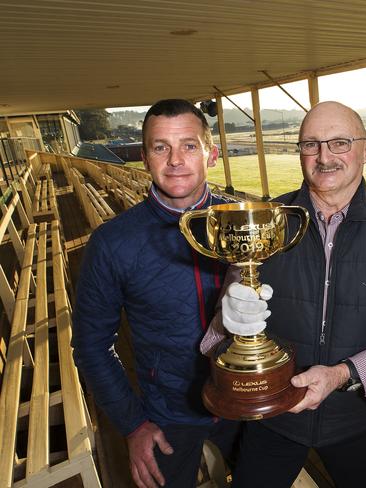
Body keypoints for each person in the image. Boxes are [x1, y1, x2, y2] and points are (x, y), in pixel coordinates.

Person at [202, 101, 366, 487]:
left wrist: (341, 375)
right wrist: (227, 322)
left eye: (340, 143)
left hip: (356, 419)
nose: (324, 157)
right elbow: (218, 335)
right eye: (310, 144)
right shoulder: (264, 222)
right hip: (273, 418)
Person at [72, 99, 240, 488]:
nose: (175, 160)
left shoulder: (243, 222)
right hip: (169, 412)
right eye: (161, 147)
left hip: (244, 401)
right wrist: (132, 425)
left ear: (211, 154)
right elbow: (91, 345)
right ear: (144, 157)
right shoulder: (112, 242)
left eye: (189, 145)